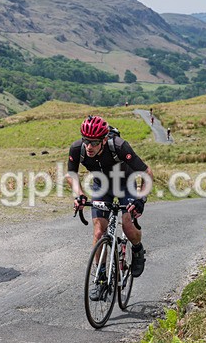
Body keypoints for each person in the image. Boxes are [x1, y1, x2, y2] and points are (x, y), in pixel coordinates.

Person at [66, 116, 154, 300]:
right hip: (102, 186)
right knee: (99, 232)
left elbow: (147, 173)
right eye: (86, 141)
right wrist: (79, 195)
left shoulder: (120, 146)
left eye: (94, 143)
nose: (89, 147)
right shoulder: (77, 149)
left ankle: (137, 250)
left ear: (104, 140)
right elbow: (71, 175)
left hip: (126, 184)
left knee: (128, 224)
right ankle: (100, 278)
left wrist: (141, 199)